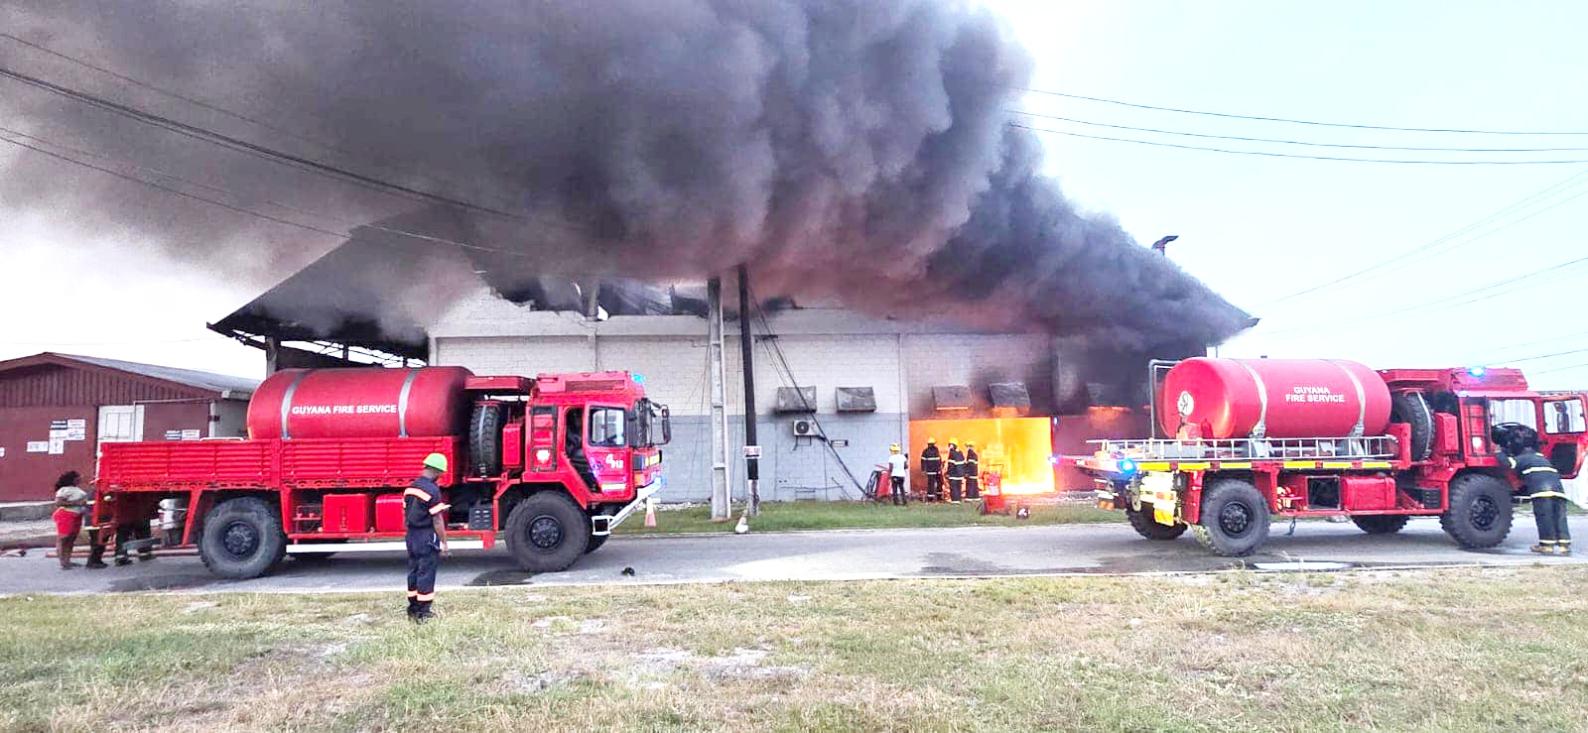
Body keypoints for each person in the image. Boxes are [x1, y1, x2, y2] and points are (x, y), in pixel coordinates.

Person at [1496, 425, 1571, 555]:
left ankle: (1547, 545)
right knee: (1560, 517)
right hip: (1559, 491)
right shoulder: (1542, 458)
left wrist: (1498, 452)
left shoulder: (1522, 459)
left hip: (1542, 493)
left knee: (1544, 517)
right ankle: (1564, 545)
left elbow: (1508, 463)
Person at [404, 452, 452, 621]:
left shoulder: (410, 488)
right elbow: (437, 520)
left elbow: (410, 511)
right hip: (426, 536)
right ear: (437, 471)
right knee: (426, 572)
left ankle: (413, 607)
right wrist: (444, 543)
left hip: (411, 535)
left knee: (414, 570)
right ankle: (423, 612)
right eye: (441, 473)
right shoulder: (433, 490)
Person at [52, 471, 90, 570]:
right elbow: (59, 502)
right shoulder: (64, 490)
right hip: (66, 514)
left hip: (76, 515)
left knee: (71, 539)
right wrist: (77, 503)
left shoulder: (76, 489)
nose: (80, 479)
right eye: (78, 477)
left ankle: (67, 560)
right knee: (63, 538)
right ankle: (63, 562)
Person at [946, 439, 966, 504]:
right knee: (958, 487)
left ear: (953, 445)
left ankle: (954, 500)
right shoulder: (960, 452)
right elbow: (964, 463)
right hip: (960, 474)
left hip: (953, 474)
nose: (950, 447)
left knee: (953, 487)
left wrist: (948, 473)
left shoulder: (951, 453)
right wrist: (963, 473)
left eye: (950, 445)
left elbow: (951, 465)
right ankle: (958, 499)